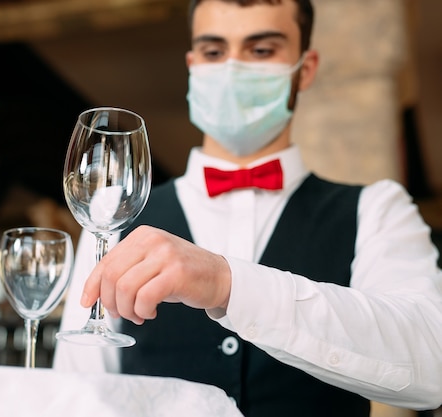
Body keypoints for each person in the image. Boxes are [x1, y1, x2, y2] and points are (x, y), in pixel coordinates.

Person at [53, 0, 442, 416]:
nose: (233, 68)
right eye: (214, 52)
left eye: (261, 50)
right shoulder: (113, 214)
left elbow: (432, 368)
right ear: (192, 66)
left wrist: (227, 283)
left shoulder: (377, 209)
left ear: (305, 69)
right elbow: (77, 393)